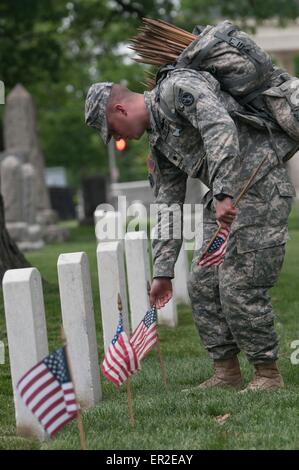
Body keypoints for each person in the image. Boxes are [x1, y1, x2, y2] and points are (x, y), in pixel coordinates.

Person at [85, 67, 298, 392]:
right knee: (202, 282)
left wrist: (224, 190)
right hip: (226, 199)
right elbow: (168, 206)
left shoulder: (177, 89)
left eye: (113, 130)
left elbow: (219, 127)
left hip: (260, 185)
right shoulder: (159, 142)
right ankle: (226, 373)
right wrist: (163, 273)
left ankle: (267, 373)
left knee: (238, 282)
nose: (119, 138)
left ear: (120, 109)